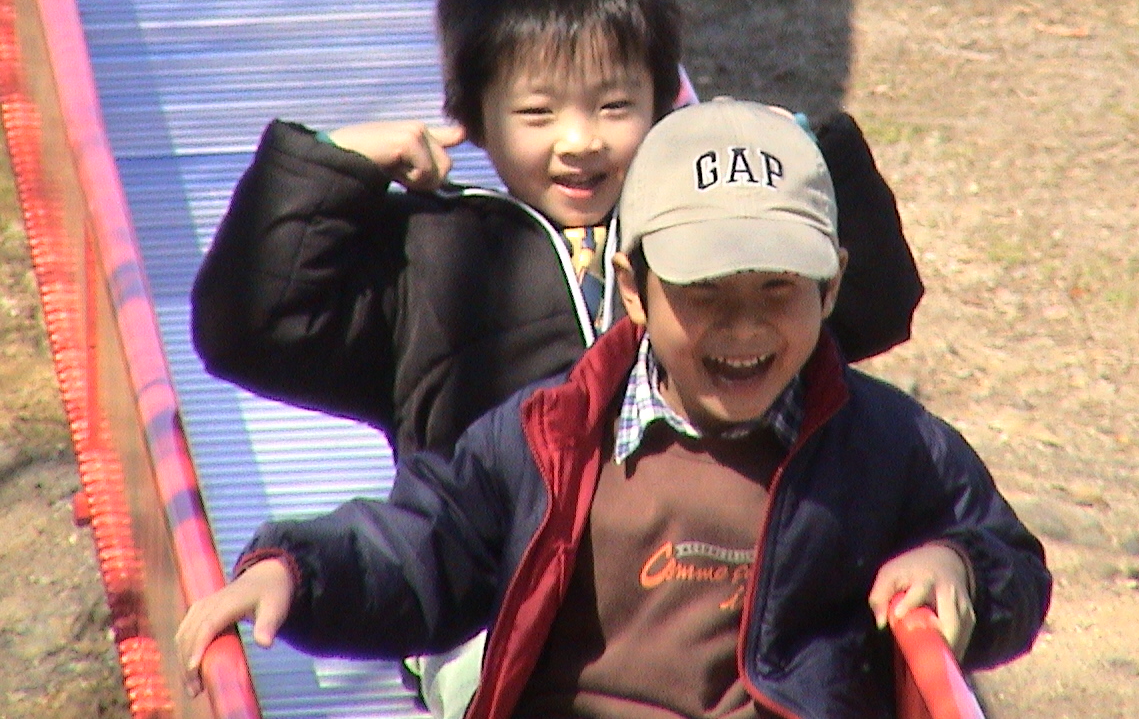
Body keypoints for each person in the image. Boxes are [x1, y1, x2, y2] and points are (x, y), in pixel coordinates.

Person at [177, 100, 1051, 719]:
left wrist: (959, 569)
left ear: (829, 289)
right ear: (634, 289)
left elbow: (1009, 557)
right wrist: (299, 571)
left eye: (778, 289)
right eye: (704, 291)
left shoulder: (885, 444)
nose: (743, 327)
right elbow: (427, 542)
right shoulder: (550, 435)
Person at [191, 0, 923, 462]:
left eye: (614, 106)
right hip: (493, 598)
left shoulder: (704, 228)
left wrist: (808, 158)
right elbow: (248, 330)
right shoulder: (428, 258)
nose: (579, 141)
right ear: (474, 119)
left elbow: (876, 305)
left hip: (693, 585)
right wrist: (334, 167)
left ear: (664, 102)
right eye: (537, 113)